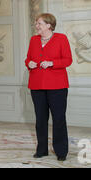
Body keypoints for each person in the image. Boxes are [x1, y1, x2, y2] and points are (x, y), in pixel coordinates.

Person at [25, 13, 73, 161]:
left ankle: (61, 151)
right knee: (40, 119)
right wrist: (29, 63)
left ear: (49, 25)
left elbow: (68, 60)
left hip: (57, 86)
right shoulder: (33, 40)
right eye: (36, 23)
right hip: (37, 85)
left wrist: (52, 63)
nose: (37, 26)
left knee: (58, 119)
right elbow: (28, 58)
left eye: (39, 23)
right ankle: (41, 150)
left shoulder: (61, 38)